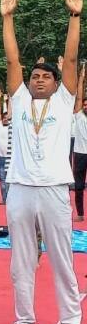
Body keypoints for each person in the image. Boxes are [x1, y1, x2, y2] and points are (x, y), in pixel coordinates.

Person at [0, 0, 86, 324]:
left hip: (53, 189)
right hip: (19, 188)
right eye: (34, 75)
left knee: (62, 259)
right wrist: (7, 19)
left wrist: (75, 16)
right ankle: (24, 320)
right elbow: (10, 60)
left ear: (55, 83)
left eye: (45, 77)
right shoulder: (19, 100)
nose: (38, 79)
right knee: (21, 262)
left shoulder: (65, 101)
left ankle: (72, 322)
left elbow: (69, 58)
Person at [72, 64, 87, 222]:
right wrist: (81, 78)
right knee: (79, 186)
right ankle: (80, 214)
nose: (85, 106)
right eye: (84, 104)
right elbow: (78, 96)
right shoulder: (79, 115)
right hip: (80, 154)